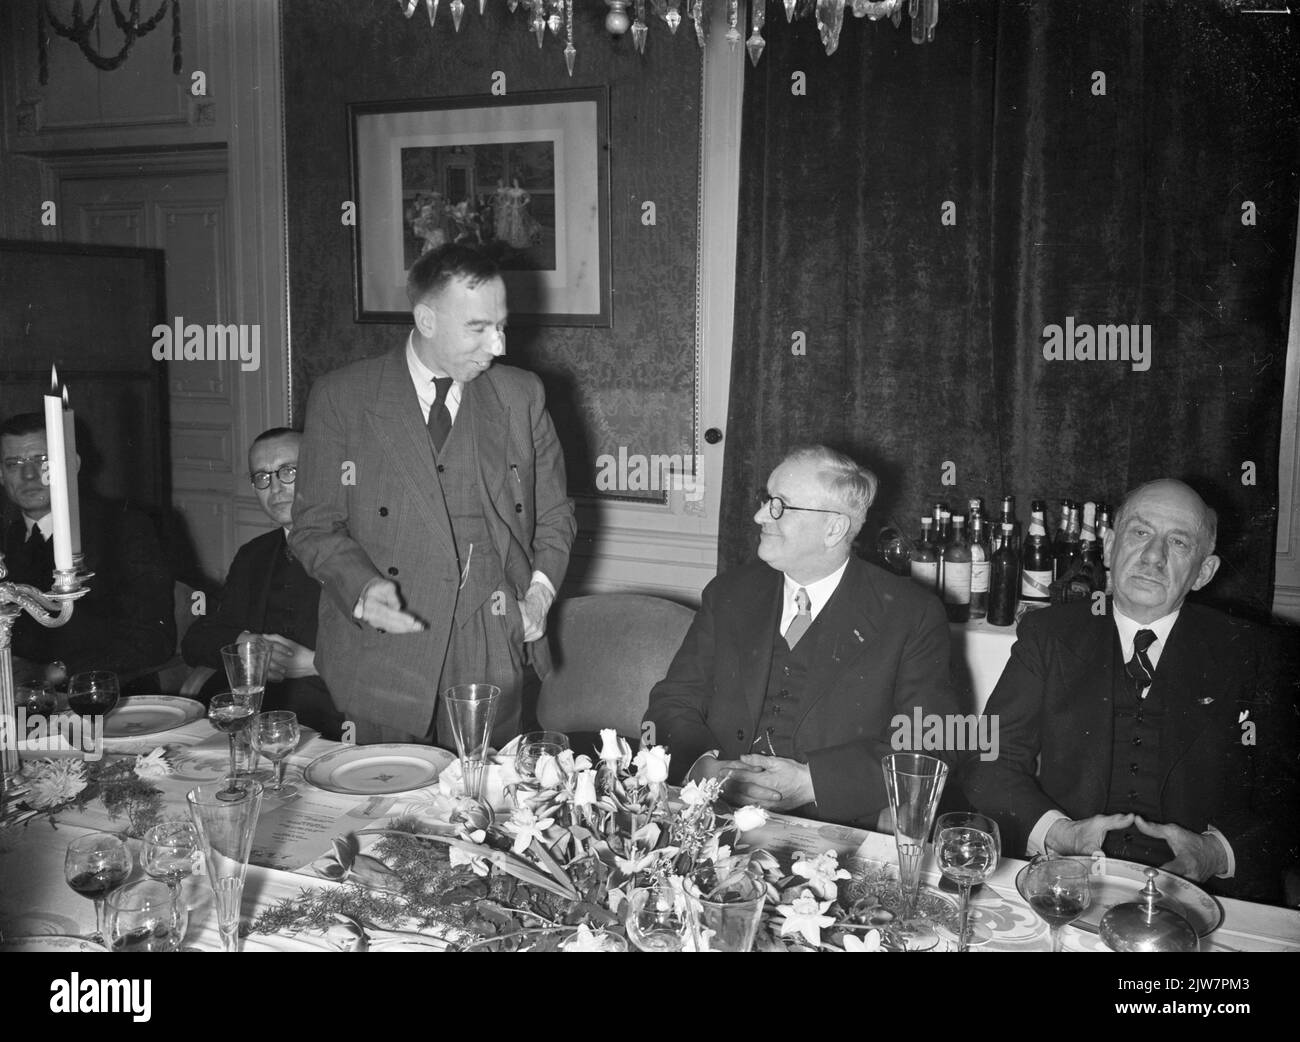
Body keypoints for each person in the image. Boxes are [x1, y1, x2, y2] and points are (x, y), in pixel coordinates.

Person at [290, 243, 575, 748]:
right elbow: (314, 526)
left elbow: (556, 515)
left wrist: (538, 596)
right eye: (478, 328)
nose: (499, 346)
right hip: (388, 643)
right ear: (425, 320)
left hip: (491, 636)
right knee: (387, 808)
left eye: (501, 325)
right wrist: (359, 588)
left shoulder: (520, 395)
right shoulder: (344, 398)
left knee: (482, 810)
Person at [963, 479, 1297, 901]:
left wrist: (1215, 853)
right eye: (1140, 533)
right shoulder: (1049, 635)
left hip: (1207, 895)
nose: (1153, 557)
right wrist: (1059, 833)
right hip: (1070, 880)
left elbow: (1287, 797)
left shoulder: (1254, 652)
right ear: (1107, 547)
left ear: (1204, 572)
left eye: (1178, 543)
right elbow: (989, 759)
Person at [643, 446, 959, 828]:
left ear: (834, 528)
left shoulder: (910, 614)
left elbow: (934, 743)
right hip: (714, 812)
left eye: (780, 506)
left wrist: (813, 784)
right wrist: (704, 768)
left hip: (837, 825)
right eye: (765, 499)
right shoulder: (729, 593)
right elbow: (671, 700)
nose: (760, 515)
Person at [180, 428, 344, 738]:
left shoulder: (362, 549)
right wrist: (245, 645)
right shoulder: (253, 554)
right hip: (255, 715)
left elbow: (398, 658)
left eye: (289, 471)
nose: (276, 488)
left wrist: (318, 663)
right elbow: (198, 639)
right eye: (262, 478)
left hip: (337, 719)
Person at [0, 412, 174, 682]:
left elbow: (152, 639)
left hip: (100, 695)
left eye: (43, 461)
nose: (29, 475)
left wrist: (55, 672)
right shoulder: (7, 537)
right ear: (1, 475)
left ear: (72, 465)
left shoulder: (123, 528)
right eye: (14, 464)